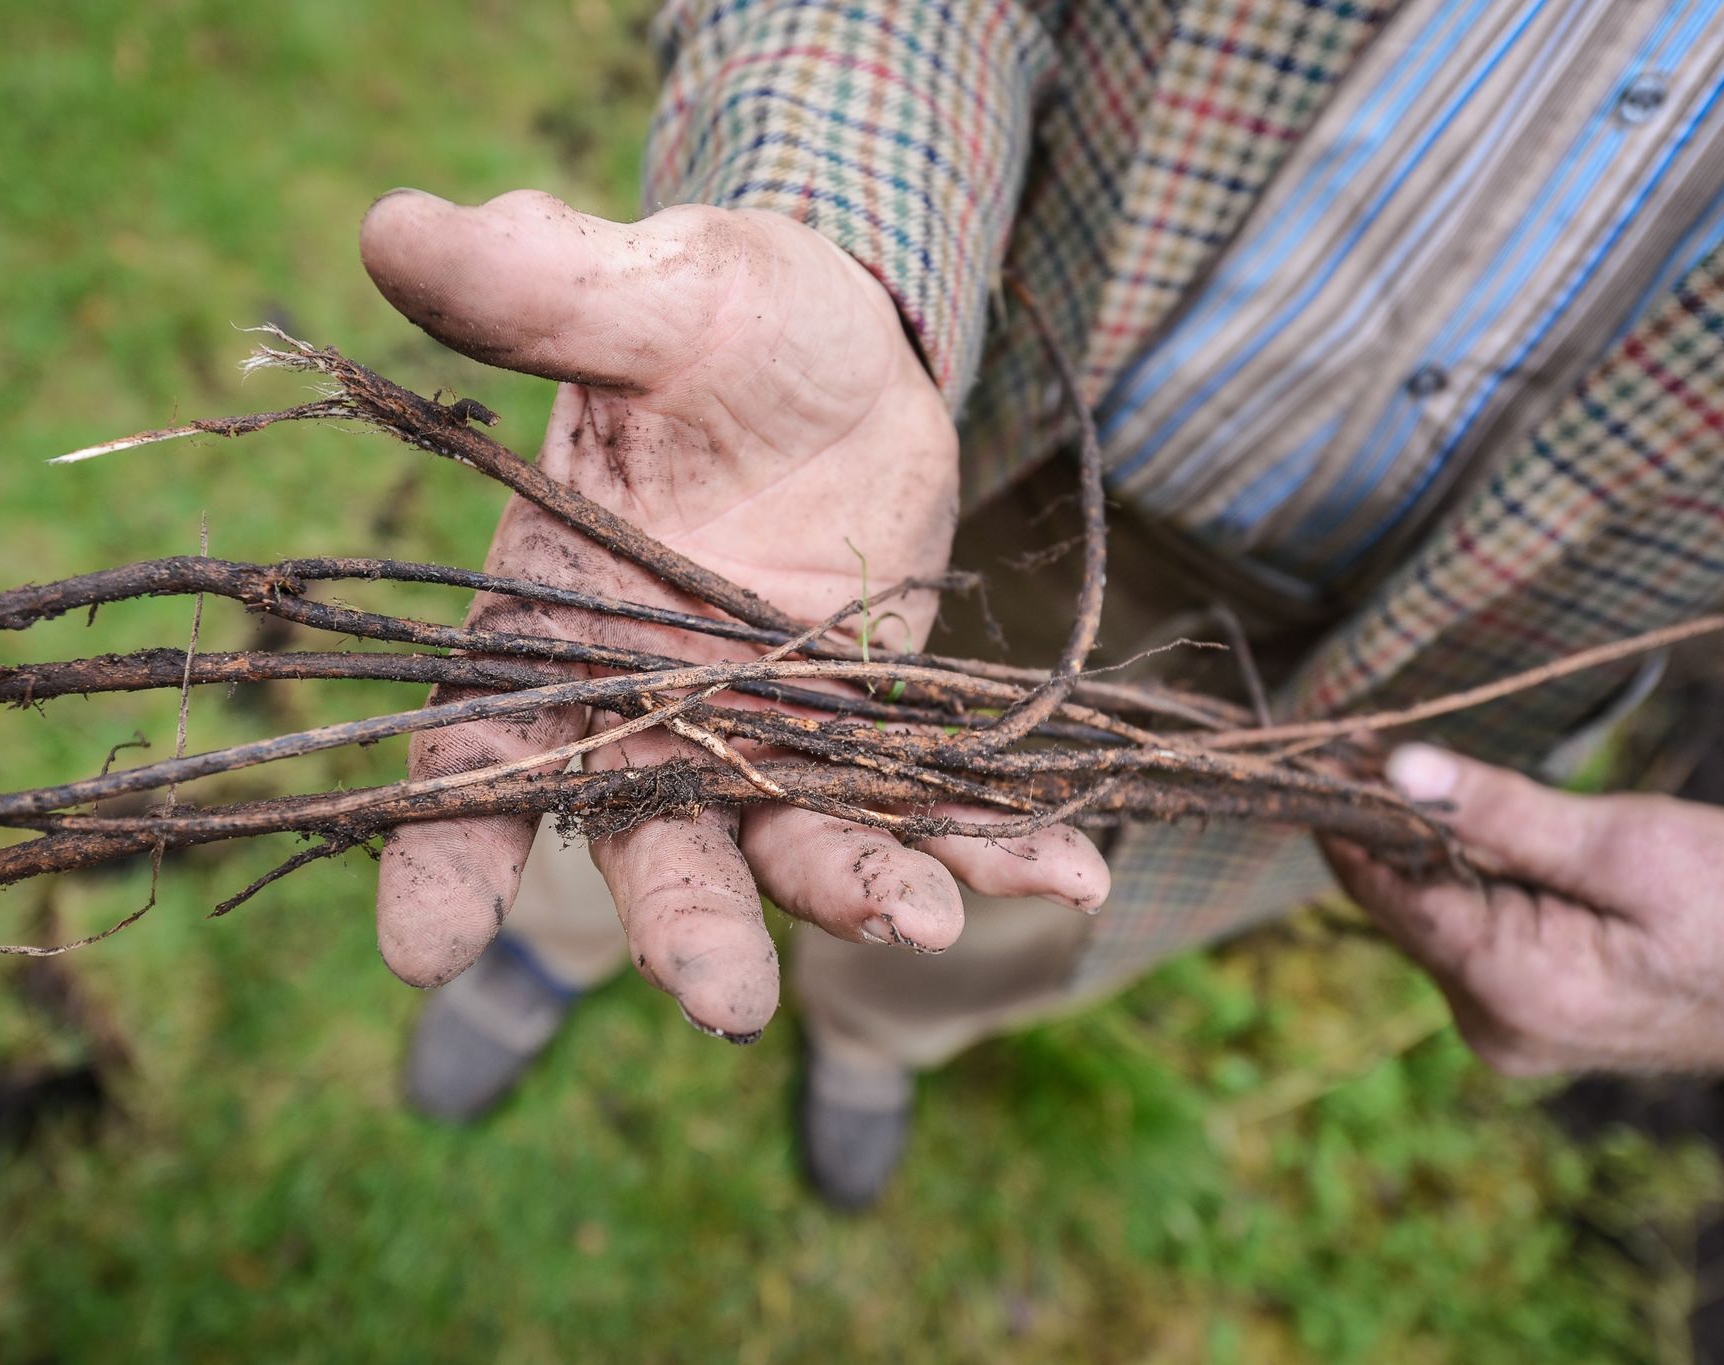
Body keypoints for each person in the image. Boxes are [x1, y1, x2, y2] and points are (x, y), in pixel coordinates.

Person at [358, 0, 1724, 1207]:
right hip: (943, 403)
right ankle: (547, 946)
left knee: (999, 897)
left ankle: (874, 1035)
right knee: (630, 736)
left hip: (1354, 659)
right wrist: (847, 242)